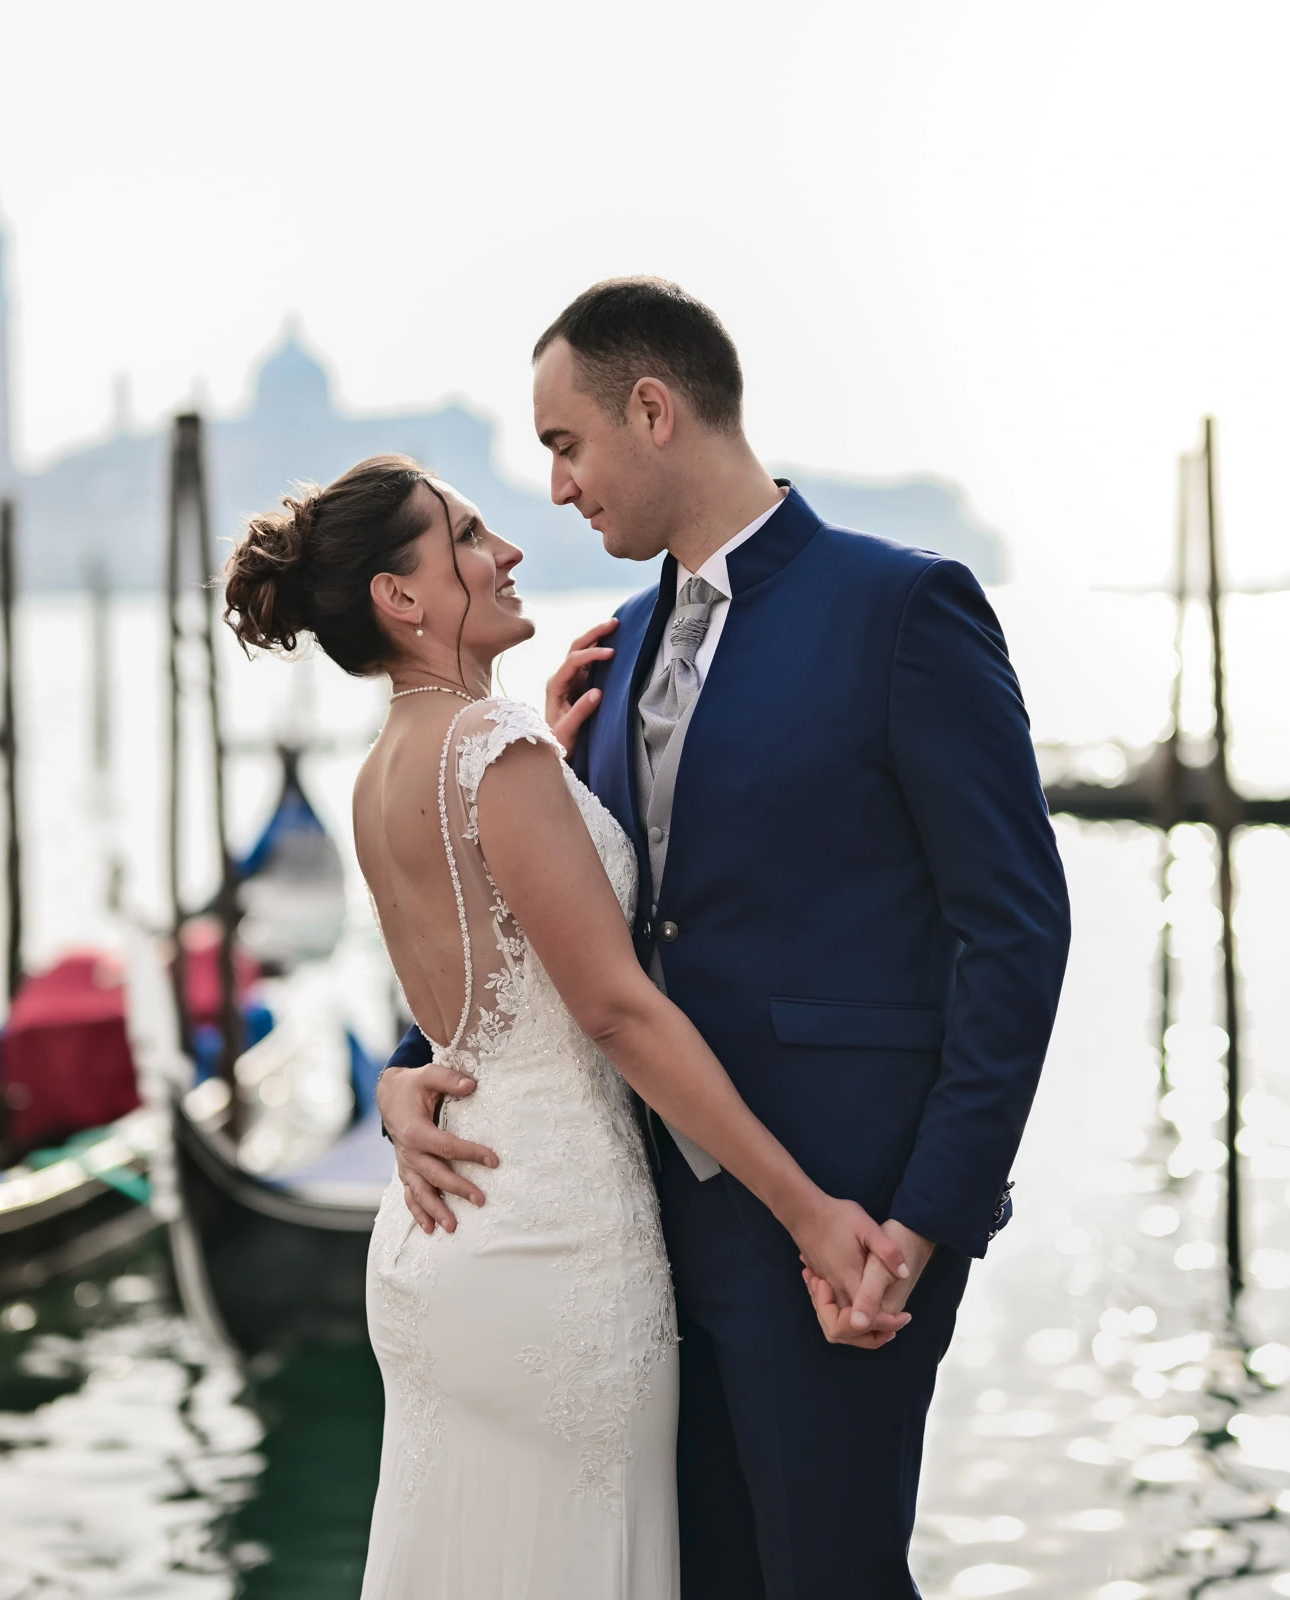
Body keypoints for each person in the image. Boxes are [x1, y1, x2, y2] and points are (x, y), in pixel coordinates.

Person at [378, 278, 1071, 1597]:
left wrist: (925, 1221)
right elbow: (566, 926)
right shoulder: (617, 648)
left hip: (843, 1225)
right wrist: (413, 1065)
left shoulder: (904, 609)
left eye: (565, 444)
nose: (559, 489)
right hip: (634, 1230)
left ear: (653, 411)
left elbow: (1017, 932)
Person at [222, 454, 911, 1600]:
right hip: (554, 1254)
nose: (509, 552)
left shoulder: (391, 765)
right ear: (403, 597)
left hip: (436, 1246)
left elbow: (470, 979)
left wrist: (549, 766)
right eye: (472, 535)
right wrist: (808, 1211)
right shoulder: (498, 759)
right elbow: (615, 1009)